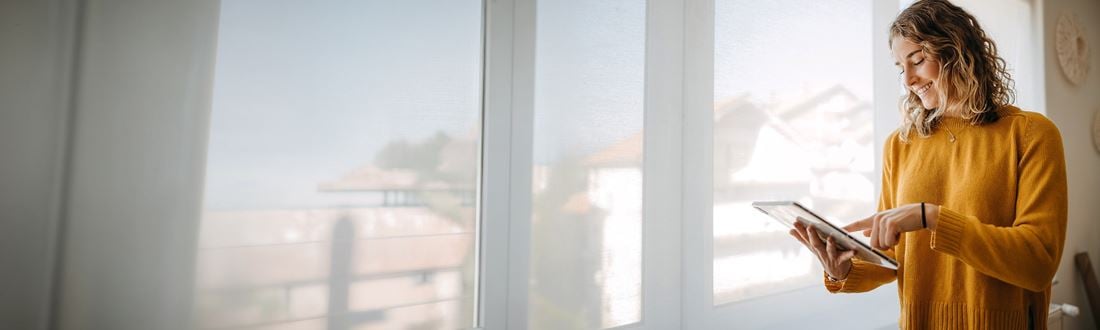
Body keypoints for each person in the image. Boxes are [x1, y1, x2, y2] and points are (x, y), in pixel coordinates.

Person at [788, 0, 1068, 328]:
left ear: (957, 52)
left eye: (917, 60)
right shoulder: (900, 144)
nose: (907, 79)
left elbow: (1037, 264)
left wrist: (932, 217)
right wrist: (843, 270)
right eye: (899, 67)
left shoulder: (1031, 133)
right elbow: (892, 258)